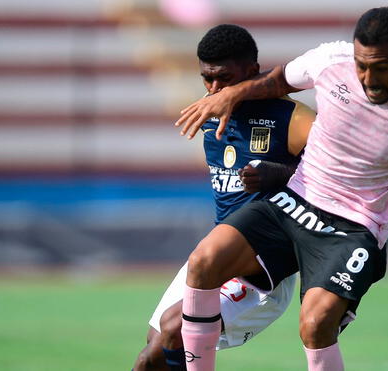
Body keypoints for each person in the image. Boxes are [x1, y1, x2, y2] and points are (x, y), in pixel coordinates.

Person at [176, 7, 388, 371]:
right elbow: (277, 81)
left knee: (315, 325)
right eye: (362, 65)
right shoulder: (329, 60)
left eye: (380, 67)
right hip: (296, 199)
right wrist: (232, 95)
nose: (368, 78)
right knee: (203, 262)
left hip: (355, 226)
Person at [132, 24, 315, 371]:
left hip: (264, 266)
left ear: (251, 70)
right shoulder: (207, 112)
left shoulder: (291, 117)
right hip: (217, 252)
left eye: (225, 78)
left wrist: (281, 174)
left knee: (176, 329)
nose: (215, 89)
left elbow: (340, 173)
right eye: (207, 79)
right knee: (151, 356)